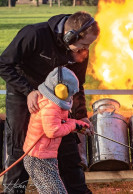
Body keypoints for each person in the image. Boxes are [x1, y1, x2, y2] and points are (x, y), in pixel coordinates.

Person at [0, 11, 100, 193]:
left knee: (68, 147)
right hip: (24, 96)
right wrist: (28, 91)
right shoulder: (34, 35)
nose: (85, 49)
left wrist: (81, 116)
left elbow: (78, 84)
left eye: (89, 45)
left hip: (58, 102)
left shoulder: (79, 49)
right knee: (20, 149)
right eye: (84, 44)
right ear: (71, 34)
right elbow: (4, 64)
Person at [23, 67, 92, 194]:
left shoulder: (54, 103)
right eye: (71, 93)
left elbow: (62, 122)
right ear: (61, 91)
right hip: (39, 160)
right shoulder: (51, 106)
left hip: (45, 157)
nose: (71, 97)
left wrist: (79, 124)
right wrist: (74, 127)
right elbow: (53, 131)